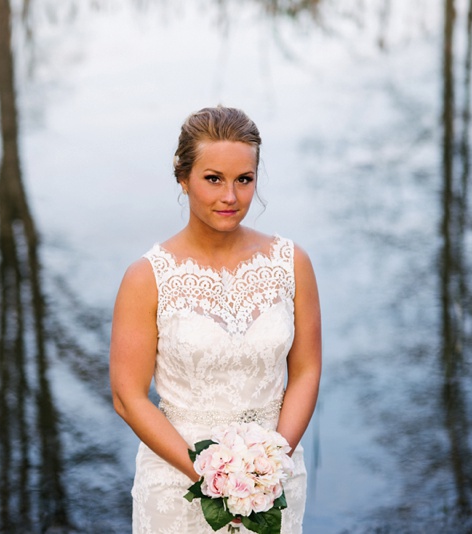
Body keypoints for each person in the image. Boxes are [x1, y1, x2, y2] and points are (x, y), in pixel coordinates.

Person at [109, 106, 321, 533]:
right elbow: (128, 397)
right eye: (213, 179)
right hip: (177, 481)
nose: (230, 196)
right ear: (183, 178)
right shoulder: (147, 277)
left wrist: (271, 463)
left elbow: (306, 370)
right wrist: (211, 478)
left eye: (244, 180)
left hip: (274, 480)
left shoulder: (291, 263)